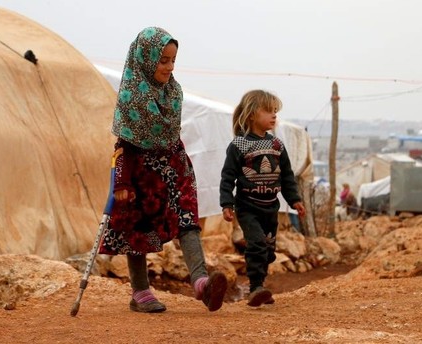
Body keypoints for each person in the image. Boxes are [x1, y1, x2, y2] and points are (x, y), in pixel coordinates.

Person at [98, 27, 227, 313]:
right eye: (163, 60)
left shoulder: (174, 92)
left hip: (173, 166)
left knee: (186, 217)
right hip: (139, 172)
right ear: (145, 59)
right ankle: (140, 290)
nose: (169, 67)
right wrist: (121, 183)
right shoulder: (132, 96)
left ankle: (201, 282)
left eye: (172, 61)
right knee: (137, 227)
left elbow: (170, 133)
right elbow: (122, 146)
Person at [219, 90, 306, 307]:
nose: (274, 115)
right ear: (251, 115)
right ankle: (256, 287)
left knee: (268, 249)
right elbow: (227, 176)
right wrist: (227, 203)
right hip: (248, 207)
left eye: (275, 111)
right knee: (256, 243)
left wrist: (294, 199)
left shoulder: (277, 146)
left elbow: (287, 176)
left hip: (271, 207)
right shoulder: (239, 145)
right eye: (268, 111)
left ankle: (260, 285)